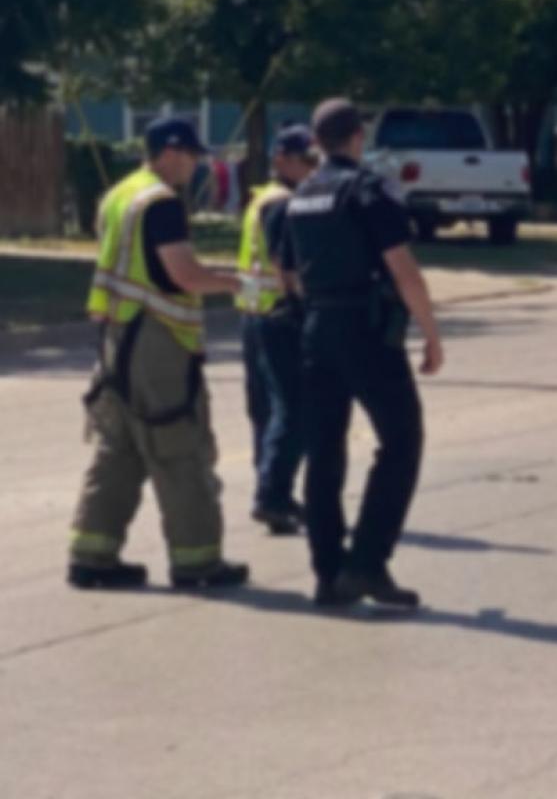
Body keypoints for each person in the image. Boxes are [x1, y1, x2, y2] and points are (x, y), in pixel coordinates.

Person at [68, 117, 250, 591]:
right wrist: (232, 283)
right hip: (157, 339)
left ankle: (91, 557)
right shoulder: (162, 203)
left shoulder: (119, 195)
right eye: (191, 155)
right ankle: (198, 563)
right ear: (170, 152)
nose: (195, 165)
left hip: (115, 337)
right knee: (177, 445)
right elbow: (183, 275)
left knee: (119, 448)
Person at [282, 98, 443, 609]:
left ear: (315, 141)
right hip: (366, 329)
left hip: (315, 327)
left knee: (324, 453)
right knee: (401, 441)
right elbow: (402, 266)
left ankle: (329, 575)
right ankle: (368, 563)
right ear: (358, 137)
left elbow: (288, 272)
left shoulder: (301, 195)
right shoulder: (367, 189)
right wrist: (431, 333)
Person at [237, 124, 318, 535]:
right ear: (281, 159)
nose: (312, 167)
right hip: (280, 315)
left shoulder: (260, 199)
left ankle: (272, 492)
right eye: (305, 159)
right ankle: (272, 494)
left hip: (254, 313)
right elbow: (282, 263)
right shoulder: (285, 203)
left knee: (266, 411)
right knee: (294, 409)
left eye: (315, 160)